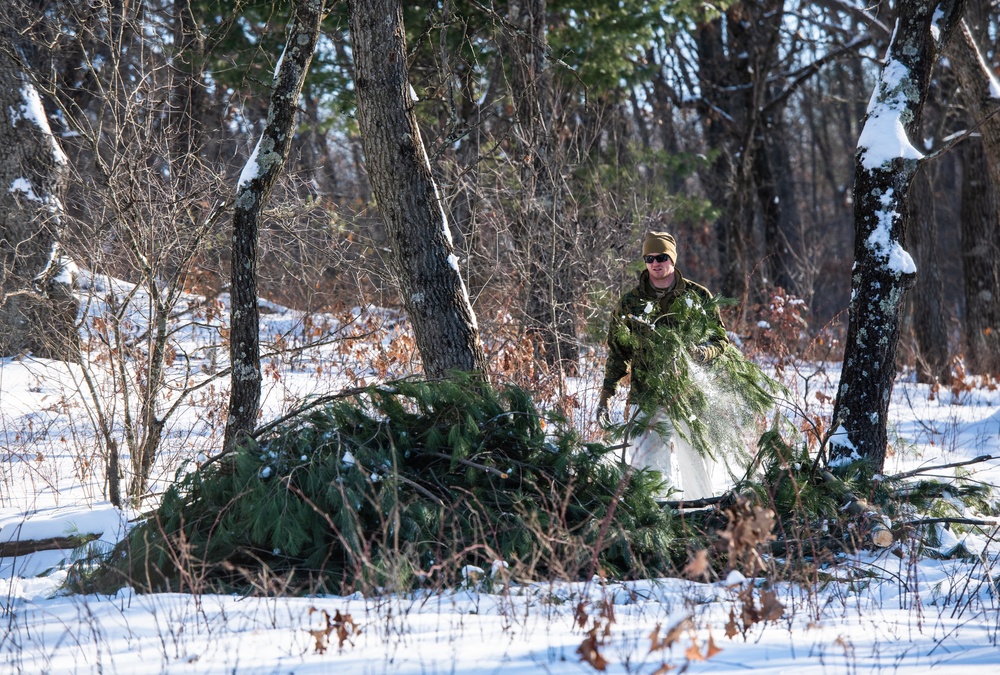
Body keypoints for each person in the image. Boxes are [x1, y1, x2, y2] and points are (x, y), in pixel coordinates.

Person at [597, 231, 728, 499]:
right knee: (649, 473)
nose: (655, 263)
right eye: (649, 258)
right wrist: (607, 394)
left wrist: (702, 353)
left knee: (697, 464)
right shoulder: (630, 303)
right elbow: (618, 353)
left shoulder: (698, 296)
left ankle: (703, 516)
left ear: (672, 258)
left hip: (688, 396)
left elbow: (720, 340)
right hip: (646, 397)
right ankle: (659, 521)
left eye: (661, 257)